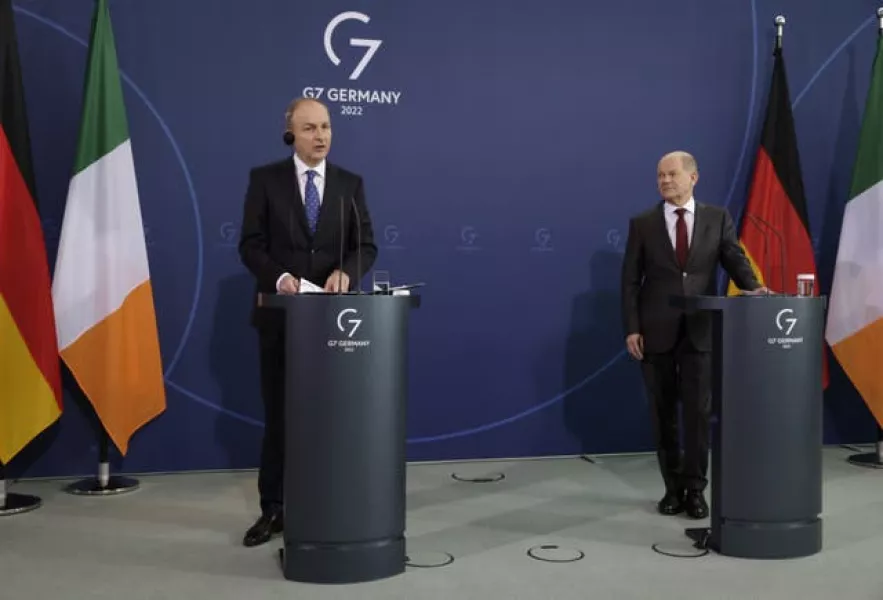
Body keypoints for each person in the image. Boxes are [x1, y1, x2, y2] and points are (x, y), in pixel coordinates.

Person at [237, 97, 377, 547]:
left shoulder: (349, 185)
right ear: (291, 133)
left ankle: (328, 505)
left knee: (330, 419)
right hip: (280, 320)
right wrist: (279, 277)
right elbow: (251, 244)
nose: (322, 136)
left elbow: (366, 245)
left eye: (327, 127)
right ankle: (273, 510)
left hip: (333, 322)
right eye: (311, 128)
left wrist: (346, 273)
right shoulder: (265, 180)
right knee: (280, 417)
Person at [620, 151, 766, 519]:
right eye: (659, 176)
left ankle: (696, 490)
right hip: (655, 333)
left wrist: (754, 288)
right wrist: (632, 328)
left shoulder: (717, 218)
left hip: (700, 332)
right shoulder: (643, 223)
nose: (664, 181)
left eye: (671, 174)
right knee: (663, 414)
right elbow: (629, 282)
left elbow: (733, 258)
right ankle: (672, 489)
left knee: (698, 416)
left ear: (693, 178)